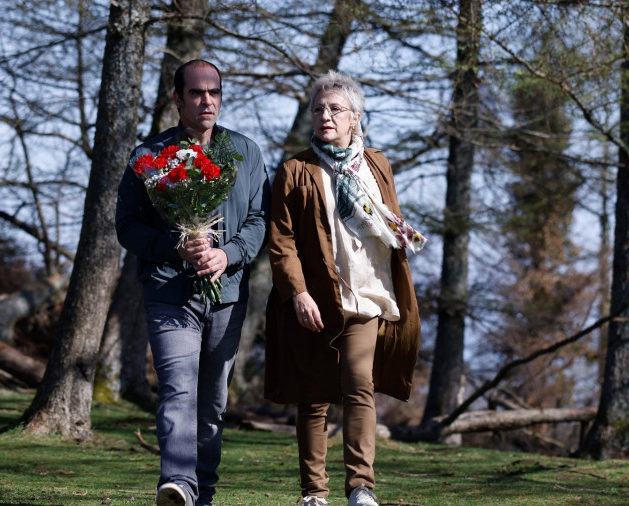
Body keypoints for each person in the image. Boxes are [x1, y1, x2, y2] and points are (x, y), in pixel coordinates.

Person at [265, 70, 426, 506]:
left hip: (367, 296)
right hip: (315, 301)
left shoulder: (377, 164)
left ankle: (360, 488)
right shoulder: (295, 170)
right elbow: (281, 241)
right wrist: (296, 292)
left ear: (355, 117)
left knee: (359, 386)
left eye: (335, 108)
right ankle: (314, 494)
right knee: (313, 396)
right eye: (318, 109)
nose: (325, 116)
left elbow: (388, 219)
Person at [115, 59, 270, 506]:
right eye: (197, 93)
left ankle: (202, 492)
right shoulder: (147, 158)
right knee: (178, 389)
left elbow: (261, 220)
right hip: (168, 291)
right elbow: (127, 227)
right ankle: (179, 484)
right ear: (177, 98)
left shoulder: (246, 151)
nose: (207, 100)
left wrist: (227, 254)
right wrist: (174, 249)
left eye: (214, 92)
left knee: (212, 404)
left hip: (228, 295)